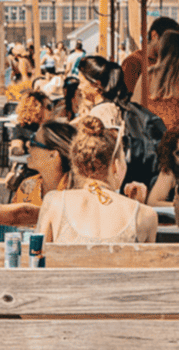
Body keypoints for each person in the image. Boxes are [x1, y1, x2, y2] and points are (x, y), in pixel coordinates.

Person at [37, 116, 157, 244]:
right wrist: (138, 205)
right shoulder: (146, 215)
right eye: (123, 159)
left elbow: (36, 256)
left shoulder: (54, 202)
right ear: (115, 166)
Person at [9, 120, 76, 207]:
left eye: (34, 141)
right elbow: (14, 218)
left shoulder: (76, 194)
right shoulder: (27, 186)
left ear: (52, 155)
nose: (28, 144)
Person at [122, 16, 179, 97]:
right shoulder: (133, 62)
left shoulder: (170, 62)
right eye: (169, 40)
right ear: (155, 36)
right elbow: (128, 99)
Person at [140, 29, 179, 135]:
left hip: (151, 137)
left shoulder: (147, 75)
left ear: (161, 49)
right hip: (175, 140)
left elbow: (136, 106)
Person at [73, 55, 127, 131]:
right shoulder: (108, 107)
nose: (79, 87)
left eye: (82, 82)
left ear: (96, 84)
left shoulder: (100, 113)